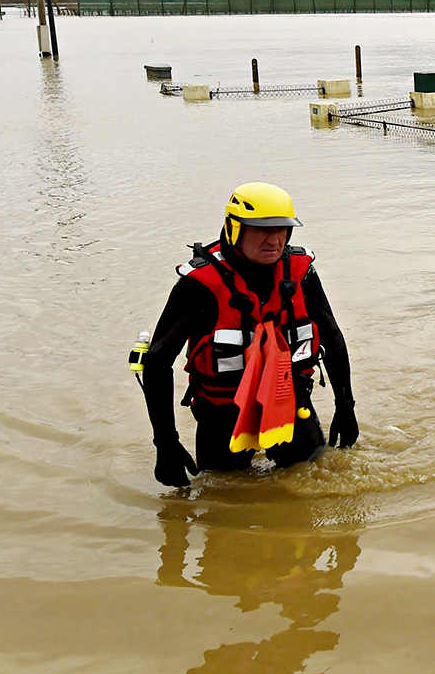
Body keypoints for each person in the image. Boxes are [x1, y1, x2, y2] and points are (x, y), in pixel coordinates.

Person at [142, 182, 358, 487]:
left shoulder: (300, 272)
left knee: (312, 481)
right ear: (234, 229)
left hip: (289, 402)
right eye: (261, 230)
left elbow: (332, 338)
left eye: (282, 229)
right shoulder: (198, 285)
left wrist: (345, 408)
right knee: (220, 496)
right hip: (222, 413)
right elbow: (157, 362)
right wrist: (165, 444)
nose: (274, 240)